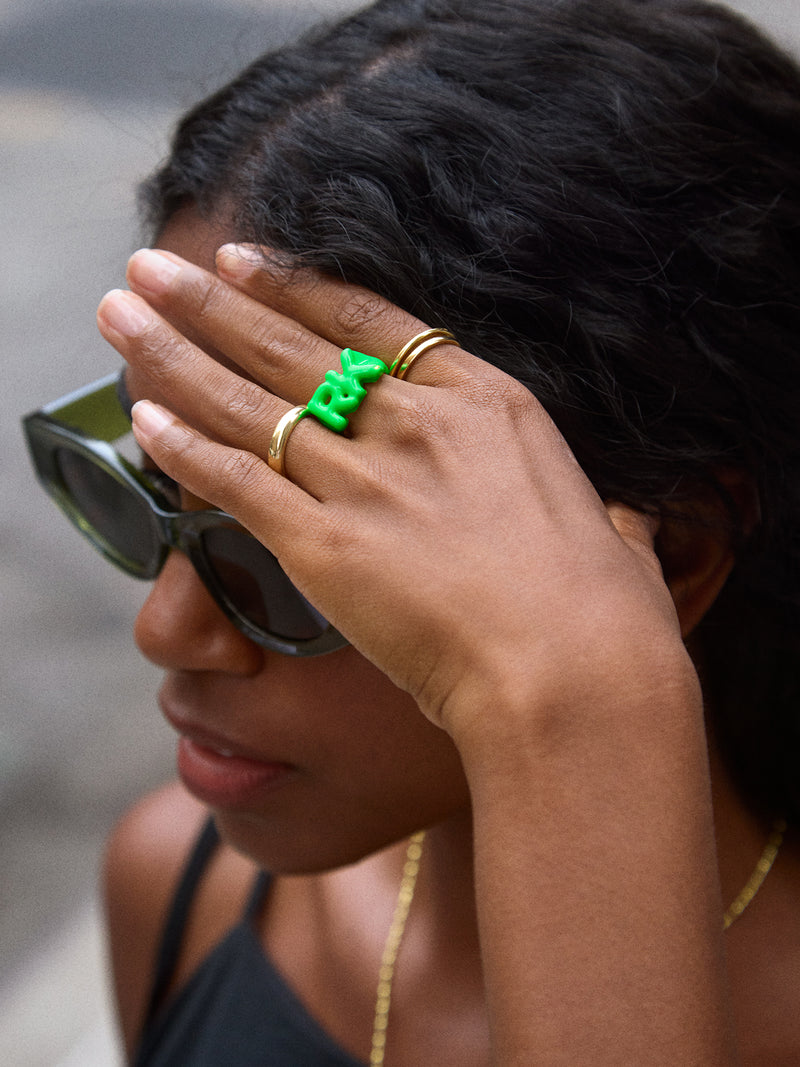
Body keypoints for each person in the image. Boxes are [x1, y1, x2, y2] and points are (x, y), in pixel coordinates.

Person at [22, 0, 800, 1061]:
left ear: (670, 561)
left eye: (293, 550)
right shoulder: (180, 889)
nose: (168, 627)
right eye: (145, 491)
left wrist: (581, 709)